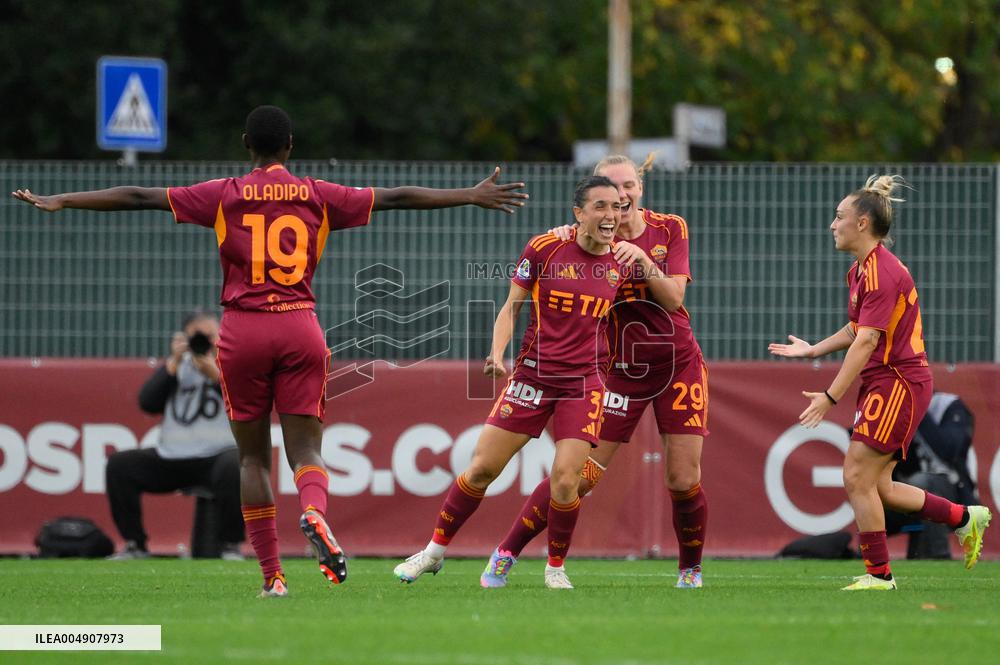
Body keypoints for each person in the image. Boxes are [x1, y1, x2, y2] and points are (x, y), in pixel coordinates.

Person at [12, 105, 528, 598]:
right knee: (306, 450)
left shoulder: (224, 194)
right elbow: (395, 197)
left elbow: (138, 196)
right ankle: (316, 512)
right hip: (300, 326)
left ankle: (273, 577)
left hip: (242, 330)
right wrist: (468, 193)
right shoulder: (317, 194)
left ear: (245, 145)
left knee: (252, 457)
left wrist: (65, 199)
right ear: (290, 146)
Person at [393, 175, 641, 589]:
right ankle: (433, 553)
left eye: (616, 207)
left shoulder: (624, 262)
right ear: (578, 213)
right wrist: (496, 352)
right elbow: (511, 307)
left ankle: (555, 568)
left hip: (583, 384)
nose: (611, 215)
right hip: (532, 377)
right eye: (600, 206)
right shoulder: (544, 248)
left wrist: (648, 263)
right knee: (481, 470)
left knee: (566, 478)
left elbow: (668, 299)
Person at [480, 154, 710, 589]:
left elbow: (675, 300)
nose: (620, 197)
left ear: (640, 188)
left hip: (676, 364)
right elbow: (544, 279)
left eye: (627, 187)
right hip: (618, 371)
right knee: (578, 477)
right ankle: (506, 551)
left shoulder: (668, 229)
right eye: (611, 190)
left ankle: (690, 569)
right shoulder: (582, 238)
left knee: (683, 477)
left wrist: (642, 260)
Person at [768, 175, 991, 590]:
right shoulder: (860, 271)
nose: (832, 225)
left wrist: (830, 396)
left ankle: (879, 575)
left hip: (898, 382)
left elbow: (868, 339)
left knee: (855, 476)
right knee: (879, 486)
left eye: (839, 217)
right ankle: (965, 517)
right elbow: (859, 329)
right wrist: (814, 349)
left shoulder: (881, 273)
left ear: (863, 223)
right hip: (885, 382)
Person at [106, 310, 244, 560]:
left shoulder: (233, 365)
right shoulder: (177, 366)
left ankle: (230, 545)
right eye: (198, 337)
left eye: (211, 336)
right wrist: (173, 363)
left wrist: (215, 375)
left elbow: (245, 402)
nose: (205, 342)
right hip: (172, 457)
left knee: (236, 465)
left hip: (216, 458)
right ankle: (135, 545)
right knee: (120, 465)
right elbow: (147, 403)